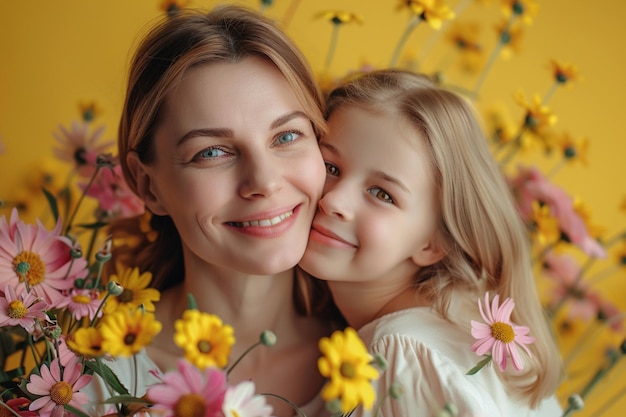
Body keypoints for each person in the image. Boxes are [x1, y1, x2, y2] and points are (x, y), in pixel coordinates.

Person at [85, 5, 342, 417]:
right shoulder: (95, 378)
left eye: (287, 135)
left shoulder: (384, 352)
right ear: (149, 186)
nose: (264, 181)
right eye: (212, 152)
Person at [299, 69, 563, 416]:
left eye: (382, 194)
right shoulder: (445, 324)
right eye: (331, 167)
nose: (334, 202)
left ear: (432, 244)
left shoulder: (403, 352)